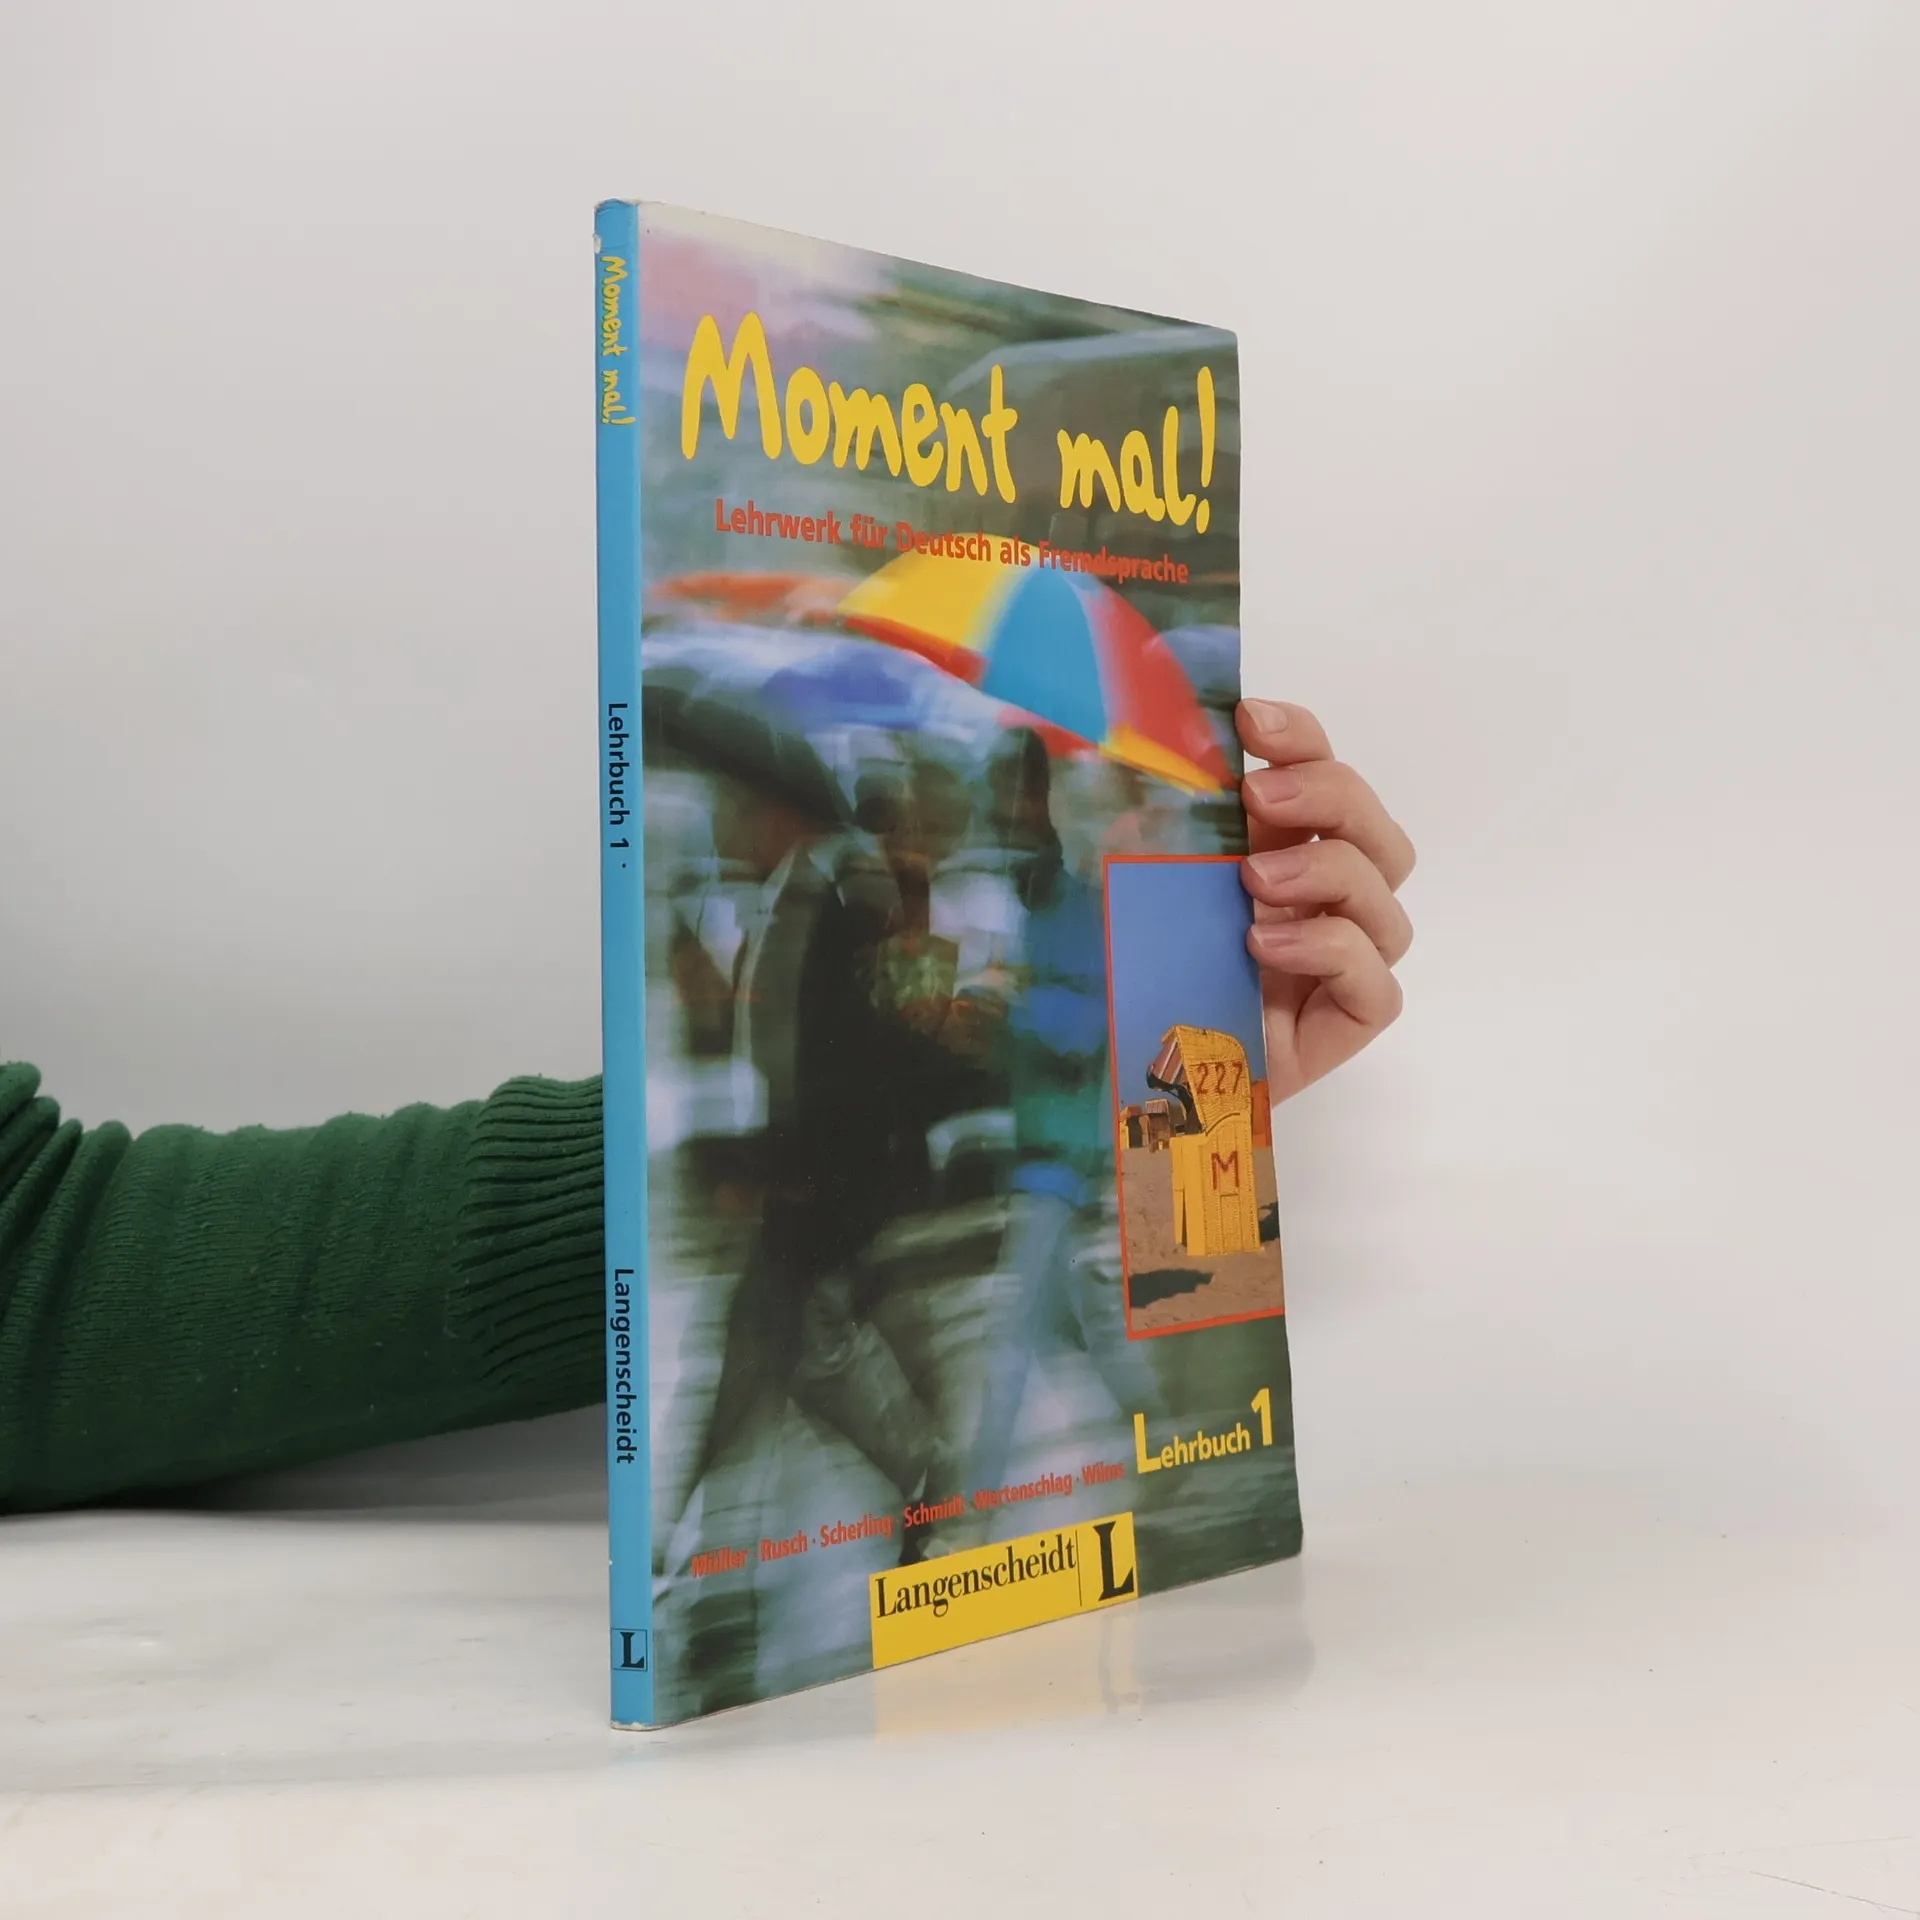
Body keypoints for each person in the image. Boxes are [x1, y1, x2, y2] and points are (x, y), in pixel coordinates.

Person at [0, 699, 1414, 1513]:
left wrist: (1140, 1057)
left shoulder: (888, 900)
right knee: (804, 1358)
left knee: (881, 1345)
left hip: (900, 1182)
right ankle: (895, 1503)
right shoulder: (826, 906)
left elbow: (41, 1258)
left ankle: (988, 1490)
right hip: (848, 1188)